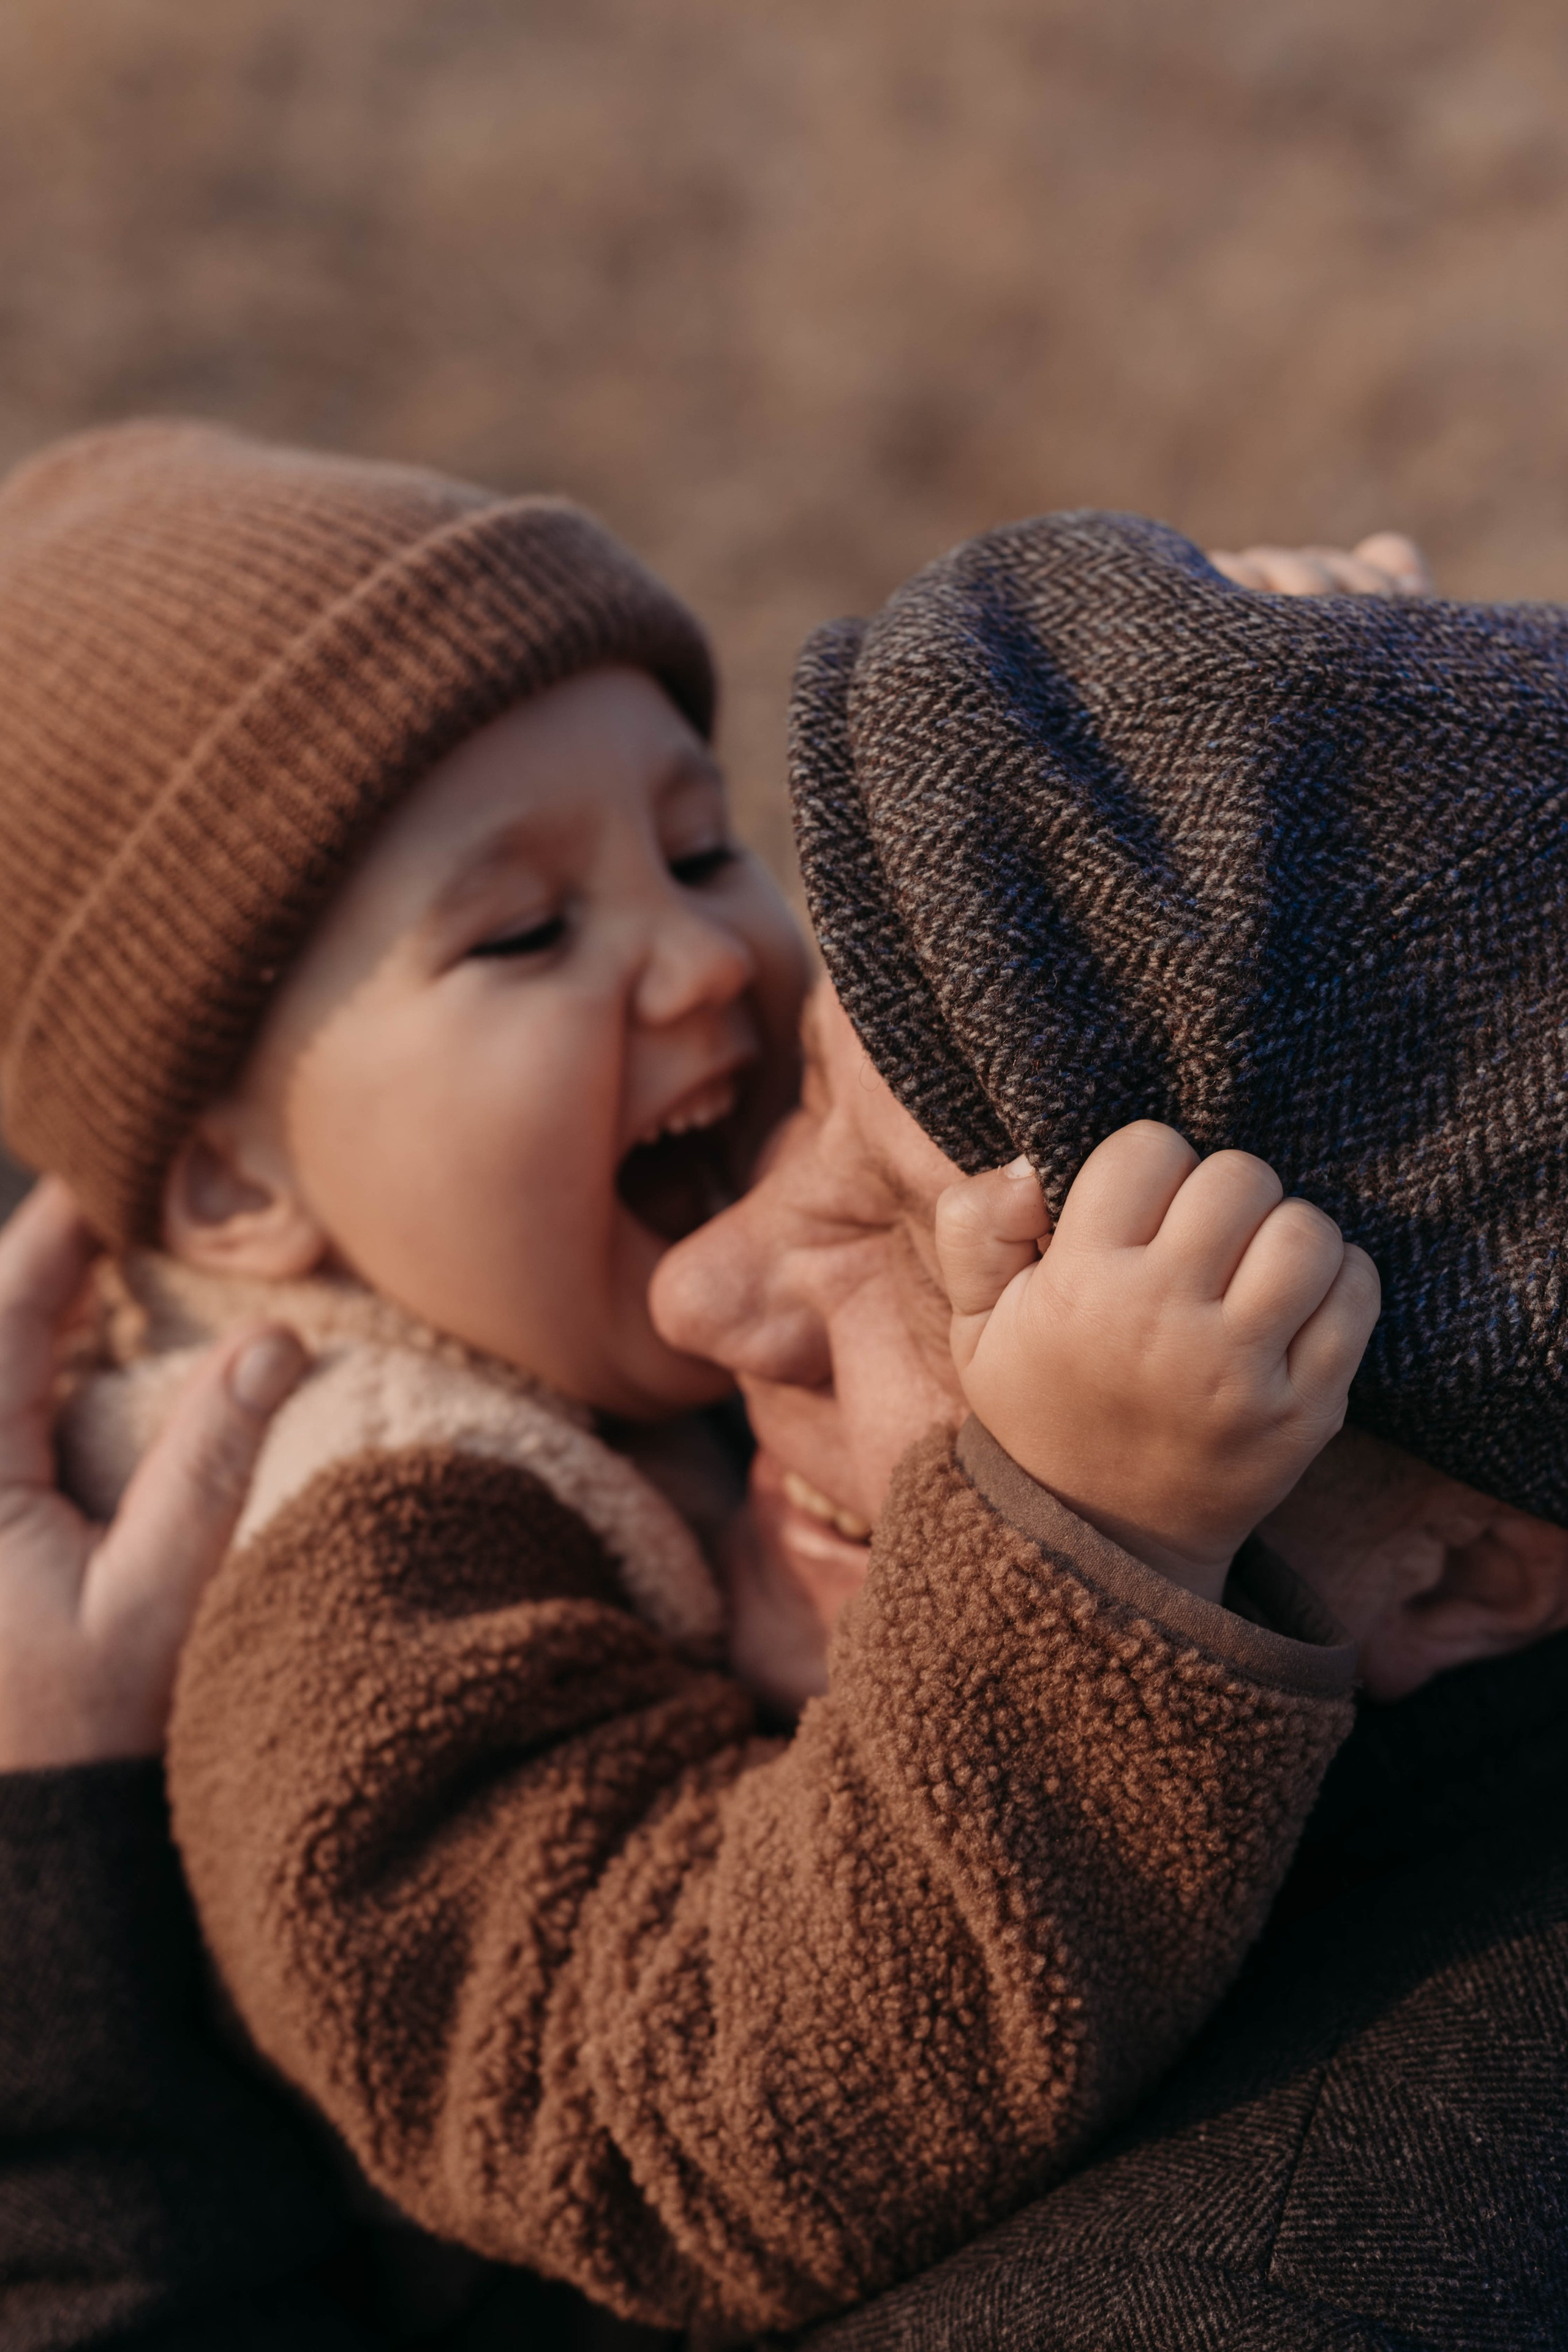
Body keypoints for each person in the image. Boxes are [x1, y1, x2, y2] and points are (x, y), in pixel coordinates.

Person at [0, 427, 1387, 2345]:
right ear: (238, 1186)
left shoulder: (559, 1274)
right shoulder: (360, 1551)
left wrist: (1251, 743)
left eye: (697, 840)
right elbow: (689, 2123)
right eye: (523, 932)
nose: (695, 960)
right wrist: (1088, 1547)